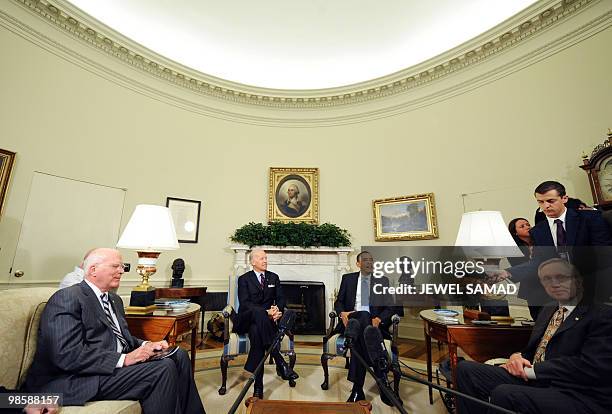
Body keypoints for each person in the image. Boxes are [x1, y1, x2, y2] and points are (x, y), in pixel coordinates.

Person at [23, 248, 205, 414]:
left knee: (178, 355)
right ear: (93, 270)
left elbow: (122, 339)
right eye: (115, 266)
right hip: (73, 378)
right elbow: (66, 355)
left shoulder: (114, 300)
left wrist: (147, 344)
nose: (122, 271)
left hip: (105, 368)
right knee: (161, 369)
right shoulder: (68, 297)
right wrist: (125, 359)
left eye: (123, 267)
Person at [457, 258, 612, 414]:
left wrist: (532, 370)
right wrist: (516, 357)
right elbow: (534, 350)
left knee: (504, 394)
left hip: (574, 390)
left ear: (578, 280)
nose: (554, 283)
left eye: (561, 277)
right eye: (547, 279)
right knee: (465, 370)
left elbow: (590, 367)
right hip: (535, 379)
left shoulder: (602, 314)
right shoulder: (547, 309)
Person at [490, 181, 612, 319]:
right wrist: (507, 272)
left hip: (594, 289)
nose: (546, 206)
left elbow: (604, 255)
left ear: (564, 198)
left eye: (550, 201)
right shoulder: (538, 231)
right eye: (540, 202)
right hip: (561, 295)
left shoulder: (590, 219)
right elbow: (538, 262)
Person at [231, 249, 298, 399]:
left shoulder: (274, 278)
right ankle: (279, 360)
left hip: (264, 324)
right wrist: (267, 312)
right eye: (261, 258)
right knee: (257, 313)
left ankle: (258, 387)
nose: (265, 261)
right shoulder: (244, 279)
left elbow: (281, 299)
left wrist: (277, 309)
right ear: (253, 261)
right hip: (246, 320)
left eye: (266, 258)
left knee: (257, 334)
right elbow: (246, 304)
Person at [334, 251, 395, 404]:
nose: (369, 263)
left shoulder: (382, 281)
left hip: (371, 326)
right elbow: (339, 301)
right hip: (351, 322)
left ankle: (357, 389)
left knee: (363, 325)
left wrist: (379, 319)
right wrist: (342, 314)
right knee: (361, 316)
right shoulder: (347, 279)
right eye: (365, 260)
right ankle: (382, 379)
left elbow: (390, 307)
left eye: (371, 260)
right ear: (358, 264)